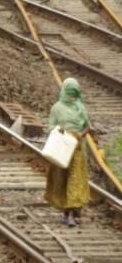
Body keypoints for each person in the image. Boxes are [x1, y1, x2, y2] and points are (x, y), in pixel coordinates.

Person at [44, 78, 93, 227]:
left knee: (75, 181)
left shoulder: (81, 108)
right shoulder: (57, 108)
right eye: (69, 93)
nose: (72, 96)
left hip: (77, 151)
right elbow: (50, 126)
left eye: (74, 93)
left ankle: (71, 213)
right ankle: (65, 212)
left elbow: (88, 127)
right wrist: (59, 131)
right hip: (61, 150)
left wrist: (79, 135)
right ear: (64, 92)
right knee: (61, 180)